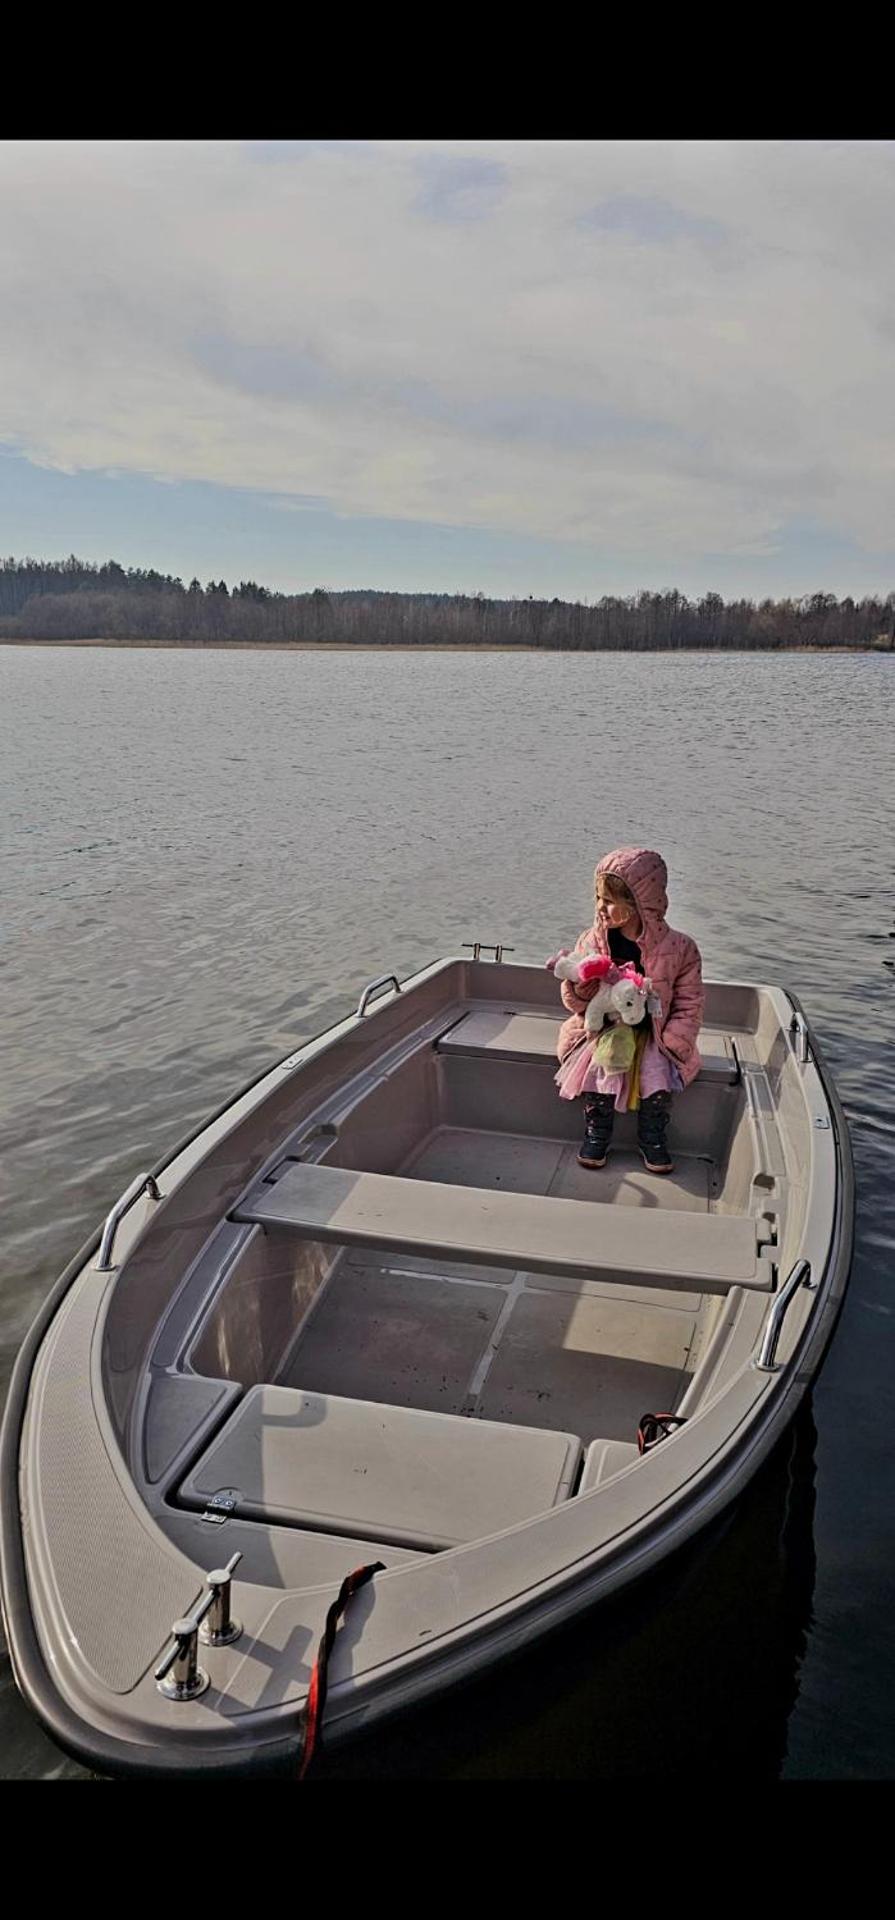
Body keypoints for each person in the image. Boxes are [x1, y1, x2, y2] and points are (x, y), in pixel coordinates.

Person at [555, 847, 704, 1174]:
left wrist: (677, 1038)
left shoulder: (680, 949)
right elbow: (578, 1003)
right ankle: (598, 1128)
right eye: (598, 897)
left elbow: (689, 1003)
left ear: (639, 905)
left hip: (654, 1031)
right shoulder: (592, 941)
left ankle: (652, 1134)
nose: (600, 907)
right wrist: (580, 987)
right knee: (599, 1066)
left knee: (655, 1070)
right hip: (604, 1026)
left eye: (609, 900)